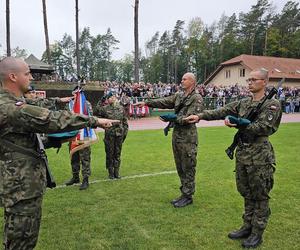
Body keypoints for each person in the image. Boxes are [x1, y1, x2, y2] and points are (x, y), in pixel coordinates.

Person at [0, 57, 117, 250]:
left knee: (21, 238)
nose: (31, 77)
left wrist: (52, 141)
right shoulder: (8, 106)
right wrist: (93, 120)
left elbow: (16, 140)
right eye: (27, 73)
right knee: (21, 242)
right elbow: (50, 120)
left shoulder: (13, 102)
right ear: (13, 76)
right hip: (20, 187)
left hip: (22, 184)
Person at [184, 69, 282, 248]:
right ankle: (247, 226)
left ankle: (257, 233)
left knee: (259, 194)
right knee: (246, 192)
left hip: (260, 155)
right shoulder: (244, 102)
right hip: (243, 153)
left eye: (254, 79)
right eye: (248, 79)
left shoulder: (272, 104)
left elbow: (265, 128)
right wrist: (200, 116)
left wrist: (240, 123)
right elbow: (222, 110)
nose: (250, 82)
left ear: (264, 82)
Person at [135, 73, 204, 208]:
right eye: (182, 78)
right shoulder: (179, 95)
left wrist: (172, 118)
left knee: (188, 166)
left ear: (192, 82)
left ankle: (188, 196)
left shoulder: (197, 98)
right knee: (180, 166)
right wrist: (146, 102)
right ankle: (184, 193)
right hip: (177, 136)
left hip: (188, 138)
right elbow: (164, 101)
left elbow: (191, 118)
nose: (181, 81)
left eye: (185, 79)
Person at [95, 91, 129, 179]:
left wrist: (124, 134)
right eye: (110, 97)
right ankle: (110, 172)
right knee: (109, 153)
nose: (112, 98)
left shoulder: (121, 108)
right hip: (109, 135)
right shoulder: (105, 108)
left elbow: (125, 122)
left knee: (117, 153)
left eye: (113, 96)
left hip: (119, 135)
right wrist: (102, 99)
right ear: (107, 99)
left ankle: (116, 172)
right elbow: (96, 109)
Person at [65, 86, 93, 190]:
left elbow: (89, 117)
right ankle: (75, 176)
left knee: (85, 158)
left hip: (83, 134)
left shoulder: (86, 103)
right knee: (74, 156)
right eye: (74, 92)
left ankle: (85, 179)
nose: (75, 94)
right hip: (72, 135)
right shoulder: (69, 104)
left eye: (78, 92)